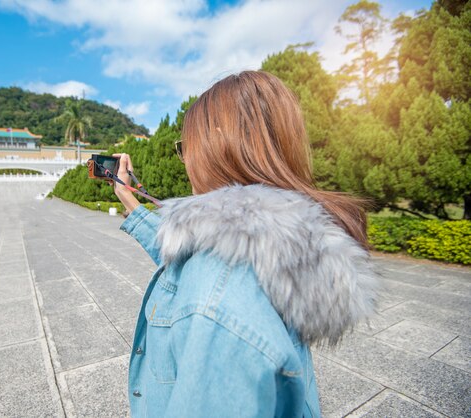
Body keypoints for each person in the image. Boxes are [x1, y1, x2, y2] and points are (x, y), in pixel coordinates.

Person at [114, 70, 378, 418]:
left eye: (186, 147)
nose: (186, 160)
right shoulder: (284, 240)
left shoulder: (217, 296)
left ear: (220, 141)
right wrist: (130, 202)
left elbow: (209, 279)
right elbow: (196, 249)